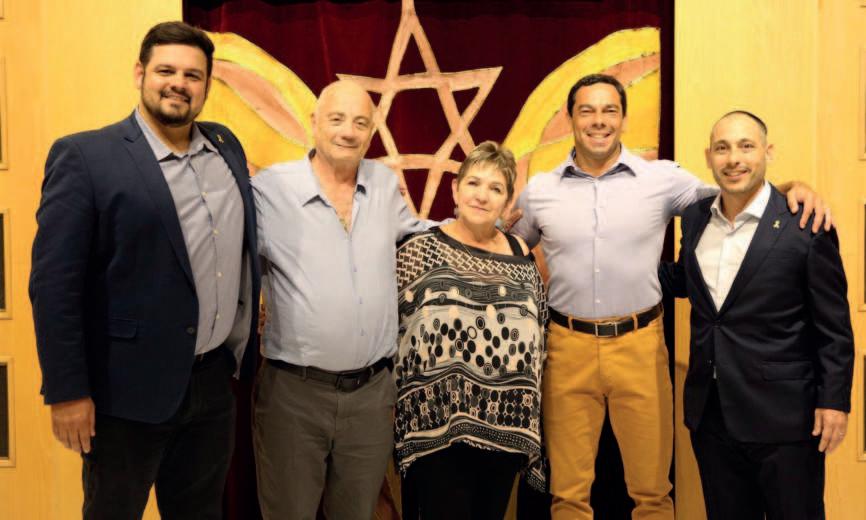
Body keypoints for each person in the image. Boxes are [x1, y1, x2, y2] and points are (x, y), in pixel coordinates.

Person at [509, 74, 830, 519]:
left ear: (623, 118)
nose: (599, 120)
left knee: (653, 493)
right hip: (566, 348)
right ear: (571, 118)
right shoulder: (540, 191)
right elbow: (505, 247)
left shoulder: (661, 180)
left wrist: (793, 186)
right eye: (587, 110)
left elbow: (738, 193)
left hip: (640, 346)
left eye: (609, 110)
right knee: (568, 494)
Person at [29, 21, 260, 519]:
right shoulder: (86, 156)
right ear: (140, 73)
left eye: (193, 75)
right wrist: (67, 391)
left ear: (207, 85)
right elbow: (54, 286)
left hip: (212, 384)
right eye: (166, 71)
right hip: (124, 393)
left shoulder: (226, 146)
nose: (179, 83)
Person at [660, 111, 854, 520]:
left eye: (746, 146)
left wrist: (834, 401)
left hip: (786, 419)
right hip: (712, 417)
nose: (734, 158)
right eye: (722, 148)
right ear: (709, 157)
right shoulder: (695, 219)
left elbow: (833, 328)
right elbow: (684, 280)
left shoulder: (806, 224)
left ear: (768, 152)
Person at [250, 79, 426, 520]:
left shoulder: (384, 184)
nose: (348, 131)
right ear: (314, 123)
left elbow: (420, 234)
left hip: (371, 397)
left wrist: (484, 229)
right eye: (337, 119)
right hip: (294, 395)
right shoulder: (270, 189)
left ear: (372, 131)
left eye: (360, 123)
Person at [394, 141, 547, 520]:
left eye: (495, 188)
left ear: (507, 201)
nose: (482, 195)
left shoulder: (521, 255)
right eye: (474, 183)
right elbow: (390, 328)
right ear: (455, 189)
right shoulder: (418, 251)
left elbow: (539, 333)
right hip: (435, 429)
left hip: (506, 428)